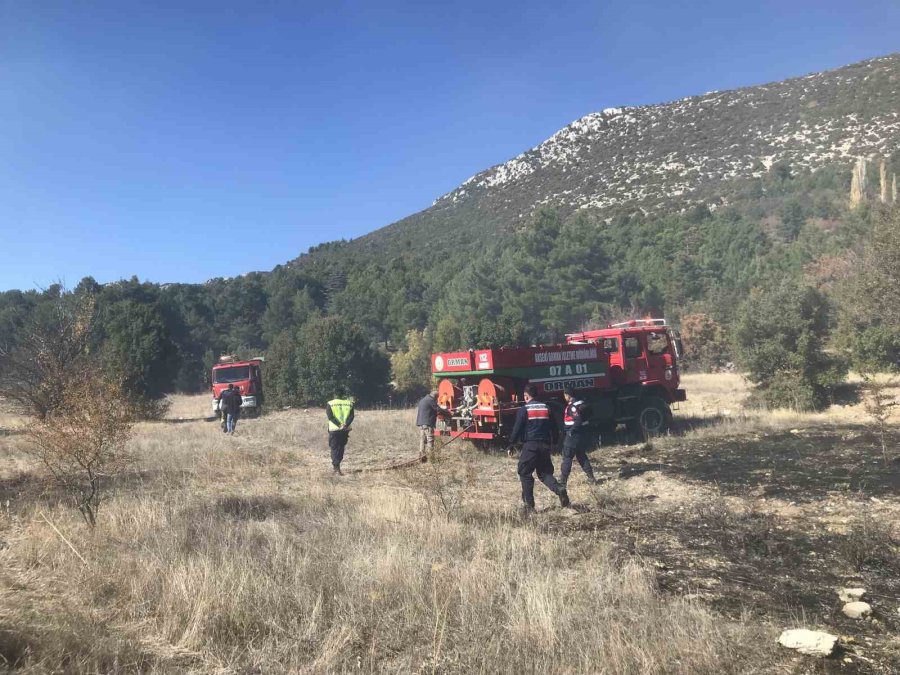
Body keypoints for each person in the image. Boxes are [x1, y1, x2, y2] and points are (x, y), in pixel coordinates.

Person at [508, 384, 570, 512]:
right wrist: (555, 442)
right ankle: (559, 489)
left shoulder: (524, 409)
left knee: (524, 473)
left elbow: (517, 428)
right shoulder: (546, 408)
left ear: (526, 396)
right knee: (545, 473)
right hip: (545, 445)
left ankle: (529, 506)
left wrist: (511, 444)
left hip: (530, 446)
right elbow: (554, 427)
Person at [560, 383, 598, 486]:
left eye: (564, 394)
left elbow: (578, 420)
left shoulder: (572, 406)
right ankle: (591, 477)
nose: (564, 397)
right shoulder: (582, 403)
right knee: (581, 455)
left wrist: (571, 431)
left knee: (567, 457)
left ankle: (562, 482)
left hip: (573, 435)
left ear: (568, 395)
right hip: (582, 435)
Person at [326, 394, 355, 475]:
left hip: (334, 429)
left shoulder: (330, 403)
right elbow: (351, 416)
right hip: (345, 430)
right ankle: (337, 464)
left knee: (334, 448)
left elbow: (330, 417)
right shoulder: (349, 403)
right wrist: (345, 425)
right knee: (341, 447)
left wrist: (339, 425)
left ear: (335, 395)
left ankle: (336, 467)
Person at [416, 389, 451, 455]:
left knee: (422, 439)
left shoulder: (423, 400)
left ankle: (421, 454)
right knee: (430, 439)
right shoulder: (431, 400)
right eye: (437, 398)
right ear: (435, 396)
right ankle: (430, 455)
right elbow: (438, 409)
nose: (437, 400)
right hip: (428, 423)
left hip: (421, 423)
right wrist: (448, 412)